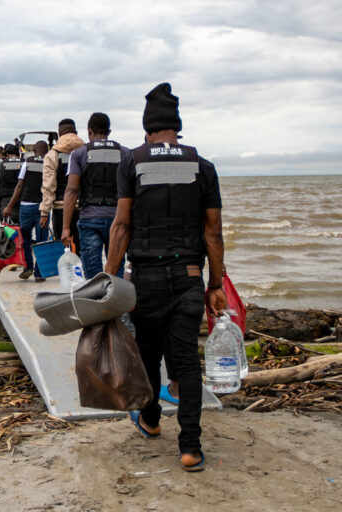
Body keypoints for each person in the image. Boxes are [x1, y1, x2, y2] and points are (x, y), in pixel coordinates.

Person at [104, 83, 227, 472]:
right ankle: (190, 447)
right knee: (186, 360)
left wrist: (108, 280)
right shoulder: (203, 166)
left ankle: (152, 420)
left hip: (147, 278)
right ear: (177, 127)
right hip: (189, 276)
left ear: (148, 129)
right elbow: (213, 233)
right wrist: (216, 285)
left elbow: (122, 226)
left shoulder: (132, 162)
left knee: (149, 354)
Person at [63, 112, 126, 278]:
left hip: (89, 218)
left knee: (92, 271)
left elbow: (71, 190)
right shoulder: (125, 153)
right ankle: (115, 293)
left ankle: (96, 293)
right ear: (109, 131)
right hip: (118, 218)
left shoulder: (79, 154)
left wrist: (66, 227)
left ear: (89, 131)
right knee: (117, 269)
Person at [3, 141, 49, 282]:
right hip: (43, 207)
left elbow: (19, 186)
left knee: (26, 239)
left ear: (34, 150)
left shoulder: (27, 162)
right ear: (47, 151)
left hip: (26, 207)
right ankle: (39, 273)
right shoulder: (50, 163)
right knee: (42, 241)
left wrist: (9, 206)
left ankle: (28, 267)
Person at [40, 119, 84, 250]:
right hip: (83, 207)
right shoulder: (86, 152)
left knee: (62, 248)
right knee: (83, 248)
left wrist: (44, 212)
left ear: (59, 135)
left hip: (61, 208)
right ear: (76, 133)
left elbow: (48, 186)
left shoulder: (53, 155)